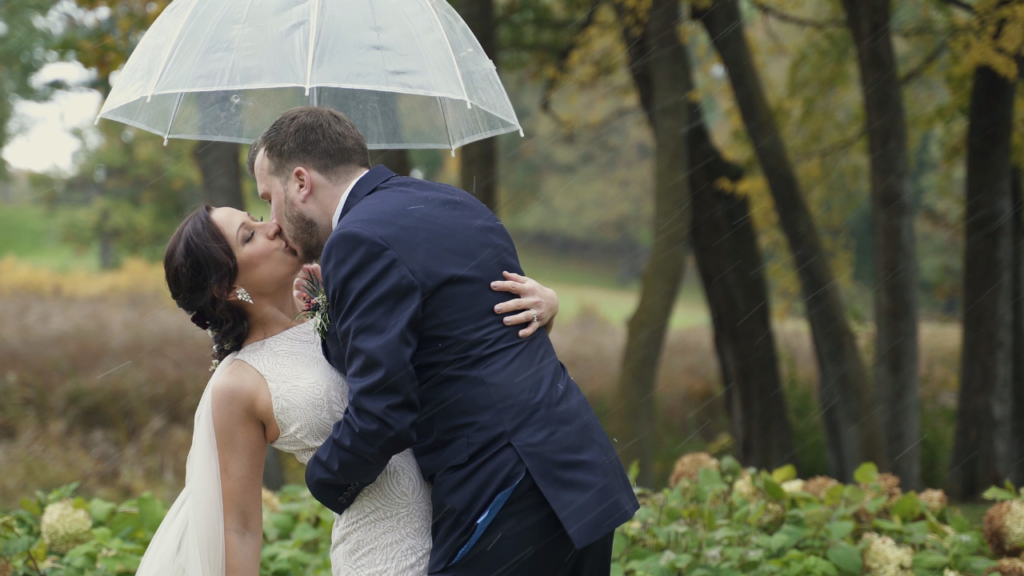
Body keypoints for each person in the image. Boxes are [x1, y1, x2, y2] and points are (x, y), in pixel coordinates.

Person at [249, 106, 639, 575]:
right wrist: (328, 310)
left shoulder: (357, 241)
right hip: (577, 472)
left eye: (269, 198)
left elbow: (382, 410)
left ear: (300, 182)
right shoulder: (451, 203)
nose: (272, 219)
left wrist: (324, 480)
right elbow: (454, 333)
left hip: (501, 487)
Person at [143, 204, 561, 576]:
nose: (271, 225)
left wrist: (545, 309)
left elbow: (459, 357)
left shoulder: (346, 305)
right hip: (383, 555)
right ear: (227, 288)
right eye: (248, 235)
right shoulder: (237, 385)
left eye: (256, 217)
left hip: (466, 524)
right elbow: (239, 527)